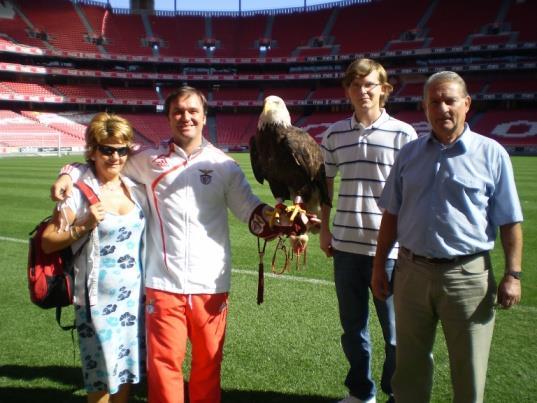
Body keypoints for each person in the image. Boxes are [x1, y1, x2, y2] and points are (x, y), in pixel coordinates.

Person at [51, 86, 298, 403]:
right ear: (168, 117)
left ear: (204, 116)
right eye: (178, 111)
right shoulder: (148, 160)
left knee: (208, 366)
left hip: (211, 285)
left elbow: (250, 210)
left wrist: (279, 220)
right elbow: (102, 161)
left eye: (193, 111)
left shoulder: (224, 165)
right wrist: (68, 173)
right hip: (162, 284)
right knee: (163, 367)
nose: (186, 117)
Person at [371, 71, 523, 403]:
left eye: (450, 100)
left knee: (468, 371)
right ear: (425, 108)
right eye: (434, 102)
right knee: (408, 369)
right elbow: (391, 216)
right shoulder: (408, 155)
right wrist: (379, 266)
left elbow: (510, 221)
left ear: (466, 104)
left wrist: (513, 274)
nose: (443, 109)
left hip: (467, 277)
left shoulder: (492, 153)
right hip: (411, 272)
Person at [320, 58, 418, 403]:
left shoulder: (404, 134)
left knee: (395, 333)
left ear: (384, 90)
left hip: (389, 251)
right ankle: (362, 393)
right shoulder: (333, 134)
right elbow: (326, 185)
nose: (363, 91)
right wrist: (324, 230)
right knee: (352, 329)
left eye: (370, 84)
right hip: (345, 247)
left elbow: (412, 191)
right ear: (347, 91)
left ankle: (396, 394)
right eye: (356, 85)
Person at [42, 112, 148, 403]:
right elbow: (48, 241)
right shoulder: (78, 192)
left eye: (122, 150)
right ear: (93, 150)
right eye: (107, 149)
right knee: (100, 380)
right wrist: (83, 225)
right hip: (95, 303)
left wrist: (68, 169)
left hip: (132, 302)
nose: (115, 156)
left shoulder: (133, 186)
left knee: (125, 374)